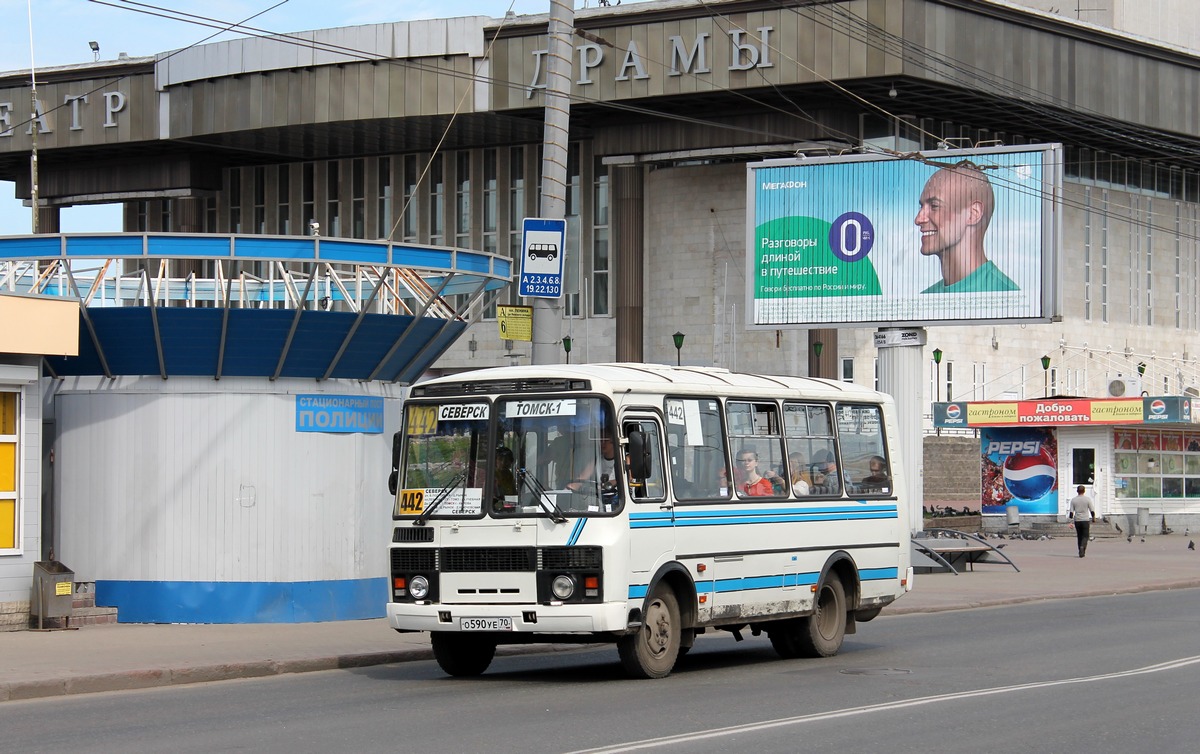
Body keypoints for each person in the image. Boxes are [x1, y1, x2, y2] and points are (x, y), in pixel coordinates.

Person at [914, 162, 1018, 294]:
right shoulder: (925, 299)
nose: (918, 219)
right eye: (921, 207)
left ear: (973, 214)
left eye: (934, 206)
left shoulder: (1008, 297)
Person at [1068, 485, 1096, 558]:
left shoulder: (1073, 500)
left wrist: (1070, 522)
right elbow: (1092, 510)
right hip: (1085, 520)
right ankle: (1082, 547)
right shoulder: (1087, 499)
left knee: (1079, 536)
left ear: (1077, 491)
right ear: (1084, 491)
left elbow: (1071, 512)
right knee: (1085, 536)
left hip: (1077, 520)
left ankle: (1080, 550)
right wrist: (1093, 518)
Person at [492, 447, 518, 512]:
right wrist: (512, 504)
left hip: (508, 509)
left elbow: (513, 494)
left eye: (506, 460)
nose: (503, 463)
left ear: (511, 462)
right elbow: (492, 502)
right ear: (495, 461)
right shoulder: (492, 475)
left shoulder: (509, 475)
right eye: (500, 459)